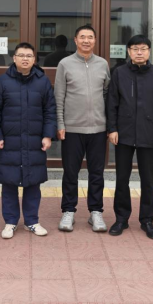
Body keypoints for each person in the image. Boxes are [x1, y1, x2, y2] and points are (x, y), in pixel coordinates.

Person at [0, 42, 56, 239]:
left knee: (33, 182)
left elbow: (50, 111)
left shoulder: (43, 81)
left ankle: (32, 221)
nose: (25, 59)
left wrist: (47, 135)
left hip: (35, 141)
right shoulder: (3, 81)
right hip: (9, 141)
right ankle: (10, 222)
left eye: (29, 56)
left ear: (34, 59)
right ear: (14, 58)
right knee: (9, 182)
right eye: (21, 55)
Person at [106, 35, 153, 240]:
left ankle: (147, 220)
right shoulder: (119, 73)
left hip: (149, 132)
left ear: (149, 51)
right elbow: (112, 102)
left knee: (147, 179)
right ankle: (121, 218)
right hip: (123, 133)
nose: (139, 52)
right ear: (128, 52)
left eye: (143, 48)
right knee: (122, 178)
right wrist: (112, 128)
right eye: (135, 49)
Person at [55, 25, 111, 232]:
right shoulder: (65, 64)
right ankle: (68, 211)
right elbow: (59, 96)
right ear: (75, 40)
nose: (86, 40)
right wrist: (60, 124)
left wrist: (109, 125)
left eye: (90, 37)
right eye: (82, 37)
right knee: (71, 172)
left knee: (97, 173)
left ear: (95, 40)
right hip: (72, 129)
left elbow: (107, 95)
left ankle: (96, 212)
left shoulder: (103, 64)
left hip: (98, 129)